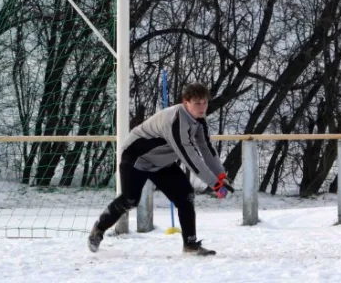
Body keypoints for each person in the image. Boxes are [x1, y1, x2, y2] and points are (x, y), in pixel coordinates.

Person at [88, 82, 233, 256]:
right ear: (186, 102)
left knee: (185, 196)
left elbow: (206, 148)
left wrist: (221, 175)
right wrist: (214, 184)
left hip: (162, 163)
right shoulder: (176, 121)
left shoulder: (199, 120)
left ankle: (190, 245)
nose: (202, 107)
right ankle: (99, 229)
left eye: (205, 102)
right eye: (197, 103)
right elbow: (190, 158)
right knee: (130, 200)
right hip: (136, 159)